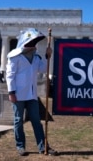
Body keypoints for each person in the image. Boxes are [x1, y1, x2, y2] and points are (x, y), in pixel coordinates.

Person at [6, 28, 58, 156]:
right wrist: (11, 92)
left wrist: (47, 56)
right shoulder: (15, 56)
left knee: (36, 121)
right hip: (18, 94)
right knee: (18, 120)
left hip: (31, 94)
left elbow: (43, 68)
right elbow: (10, 75)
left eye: (35, 42)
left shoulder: (36, 57)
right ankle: (20, 146)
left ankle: (43, 146)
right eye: (31, 42)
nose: (34, 44)